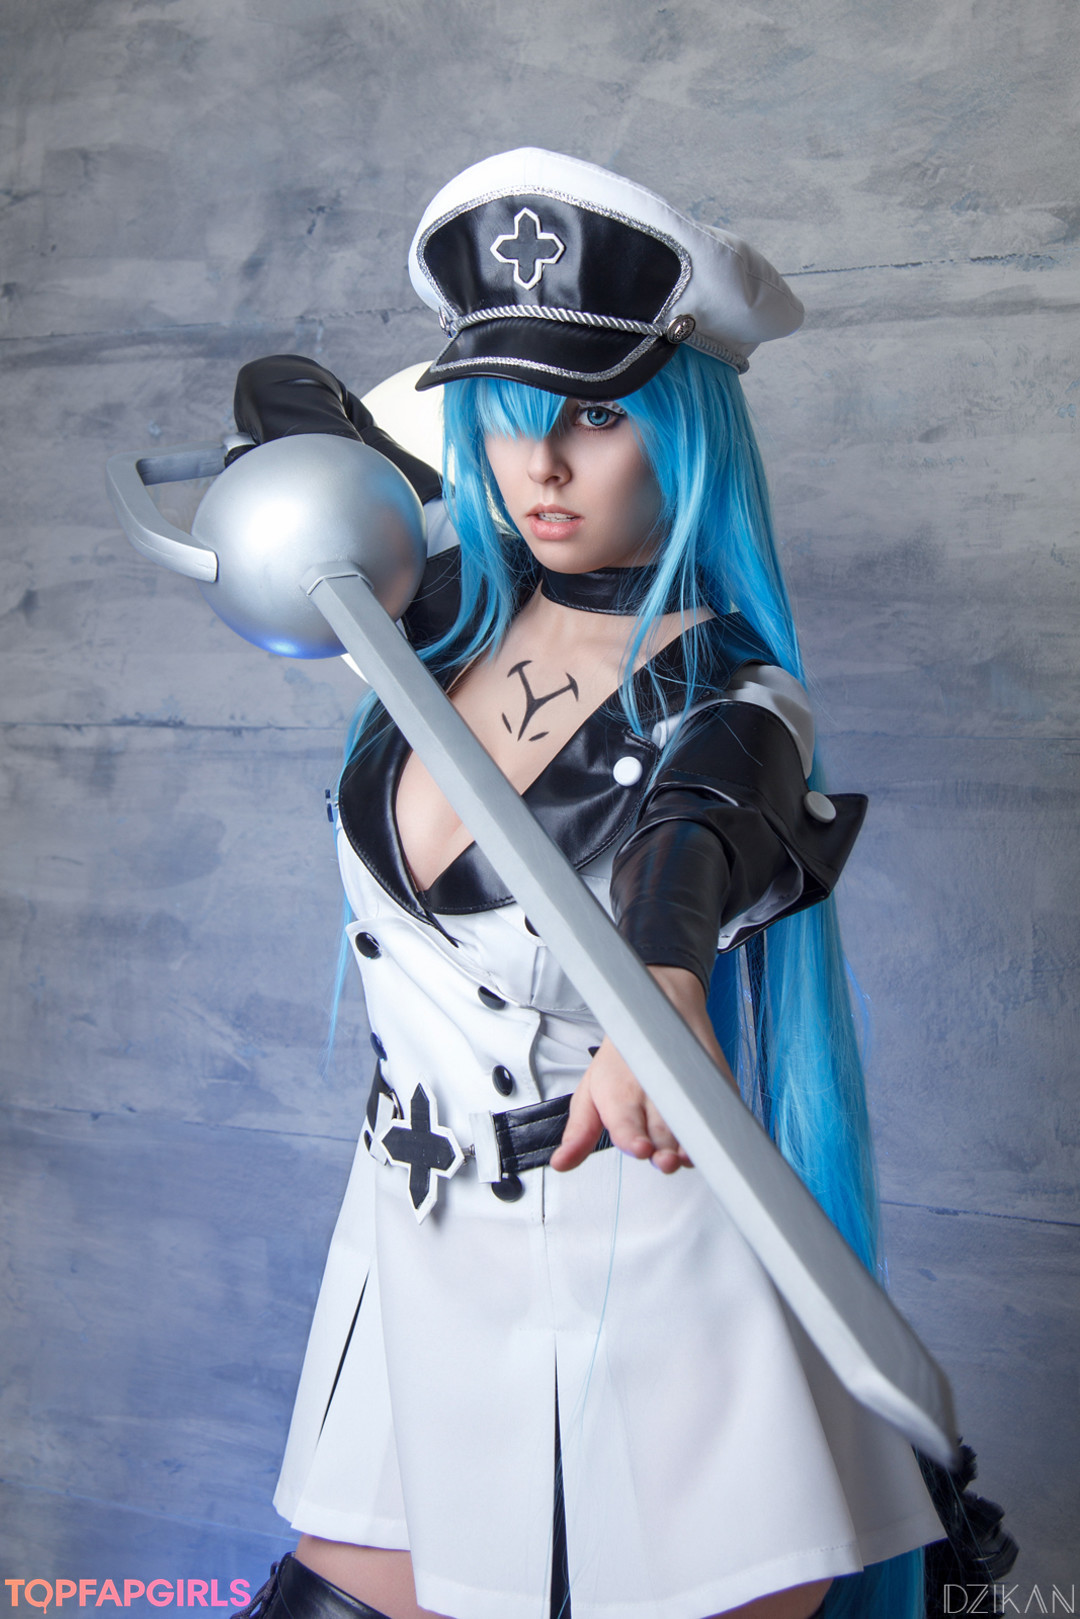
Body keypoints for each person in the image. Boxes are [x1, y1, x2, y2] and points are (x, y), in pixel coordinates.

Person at [222, 150, 1000, 1619]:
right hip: (408, 1238)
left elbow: (705, 830)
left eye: (595, 410)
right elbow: (314, 439)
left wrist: (664, 984)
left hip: (624, 1270)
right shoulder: (430, 616)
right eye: (509, 413)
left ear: (684, 425)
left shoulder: (731, 702)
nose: (541, 467)